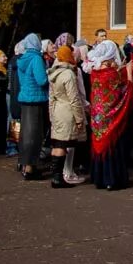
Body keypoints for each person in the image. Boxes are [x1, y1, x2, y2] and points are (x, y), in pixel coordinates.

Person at [87, 38, 133, 190]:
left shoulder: (94, 72)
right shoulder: (114, 74)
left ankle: (99, 178)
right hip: (111, 115)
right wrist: (128, 72)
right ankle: (112, 179)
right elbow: (126, 88)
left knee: (100, 143)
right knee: (114, 145)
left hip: (98, 115)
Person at [47, 45, 88, 188]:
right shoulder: (69, 74)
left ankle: (56, 176)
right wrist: (79, 118)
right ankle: (58, 178)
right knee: (63, 144)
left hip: (58, 110)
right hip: (67, 112)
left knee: (58, 143)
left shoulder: (53, 74)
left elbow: (51, 98)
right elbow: (74, 98)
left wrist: (51, 115)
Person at [13, 32, 49, 181]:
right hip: (36, 98)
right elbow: (41, 80)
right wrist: (49, 74)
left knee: (25, 134)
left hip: (25, 97)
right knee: (34, 135)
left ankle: (22, 163)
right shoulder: (36, 58)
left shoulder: (22, 59)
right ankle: (30, 167)